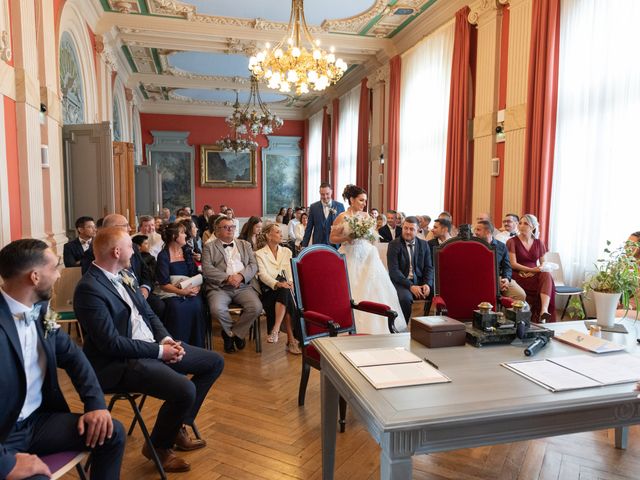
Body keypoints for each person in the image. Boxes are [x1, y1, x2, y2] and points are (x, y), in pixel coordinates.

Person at [74, 227, 224, 473]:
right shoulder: (89, 289)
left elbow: (149, 313)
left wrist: (166, 339)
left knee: (213, 362)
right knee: (184, 389)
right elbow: (110, 343)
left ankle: (175, 428)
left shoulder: (126, 274)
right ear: (116, 251)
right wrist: (158, 352)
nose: (134, 250)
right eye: (130, 246)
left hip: (151, 348)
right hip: (120, 362)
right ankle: (159, 447)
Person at [0, 239, 125, 480]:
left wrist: (95, 404)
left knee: (112, 432)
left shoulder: (39, 310)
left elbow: (74, 357)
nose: (58, 275)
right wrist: (5, 465)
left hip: (37, 423)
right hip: (4, 436)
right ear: (34, 277)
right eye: (54, 267)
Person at [329, 185, 406, 333]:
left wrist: (366, 237)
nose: (364, 204)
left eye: (365, 200)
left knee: (373, 287)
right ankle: (350, 324)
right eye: (361, 200)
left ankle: (379, 326)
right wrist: (348, 237)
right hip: (349, 254)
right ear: (352, 200)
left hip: (368, 256)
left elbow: (373, 237)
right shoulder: (342, 216)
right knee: (351, 287)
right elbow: (332, 238)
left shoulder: (366, 217)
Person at [201, 216, 263, 354]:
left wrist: (241, 276)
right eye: (226, 227)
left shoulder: (244, 244)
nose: (230, 229)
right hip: (220, 288)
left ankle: (233, 334)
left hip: (243, 286)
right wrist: (228, 278)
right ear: (217, 230)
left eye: (232, 227)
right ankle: (232, 333)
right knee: (216, 309)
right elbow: (207, 269)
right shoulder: (209, 247)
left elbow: (253, 265)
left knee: (256, 307)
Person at [156, 223, 206, 348]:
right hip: (171, 292)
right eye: (183, 232)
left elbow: (195, 275)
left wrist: (196, 287)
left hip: (190, 290)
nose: (186, 235)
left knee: (197, 304)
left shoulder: (187, 252)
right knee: (176, 308)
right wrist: (182, 292)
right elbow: (163, 284)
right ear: (174, 236)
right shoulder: (163, 256)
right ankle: (177, 346)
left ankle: (196, 347)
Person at [255, 223, 301, 354]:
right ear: (268, 236)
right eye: (277, 232)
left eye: (281, 232)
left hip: (286, 288)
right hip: (270, 290)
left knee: (286, 291)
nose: (281, 235)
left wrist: (290, 282)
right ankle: (292, 340)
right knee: (284, 292)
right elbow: (262, 275)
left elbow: (290, 271)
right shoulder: (259, 254)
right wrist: (277, 283)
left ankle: (276, 330)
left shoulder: (287, 251)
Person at [507, 214, 556, 322]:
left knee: (547, 275)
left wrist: (537, 270)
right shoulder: (512, 241)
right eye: (520, 223)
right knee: (544, 278)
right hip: (518, 274)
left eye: (525, 223)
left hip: (534, 274)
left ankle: (544, 310)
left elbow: (544, 264)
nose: (521, 226)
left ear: (533, 227)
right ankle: (539, 312)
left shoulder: (539, 243)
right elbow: (513, 264)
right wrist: (532, 270)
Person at [387, 217, 433, 323]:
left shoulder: (424, 244)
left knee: (435, 293)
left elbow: (429, 267)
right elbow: (394, 271)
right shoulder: (394, 245)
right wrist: (411, 286)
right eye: (405, 228)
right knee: (405, 299)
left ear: (417, 230)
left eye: (411, 229)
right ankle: (404, 325)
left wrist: (427, 284)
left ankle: (426, 325)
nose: (408, 232)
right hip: (402, 282)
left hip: (420, 280)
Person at [474, 220, 526, 301]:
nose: (475, 233)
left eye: (478, 230)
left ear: (488, 232)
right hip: (477, 278)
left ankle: (504, 313)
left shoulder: (501, 246)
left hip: (497, 278)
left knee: (520, 295)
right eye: (475, 229)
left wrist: (506, 279)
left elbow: (507, 267)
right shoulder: (473, 245)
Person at [301, 182, 345, 248]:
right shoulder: (313, 207)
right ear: (319, 193)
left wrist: (343, 245)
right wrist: (304, 245)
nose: (325, 197)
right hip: (318, 244)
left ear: (331, 192)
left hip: (335, 245)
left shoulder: (340, 206)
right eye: (322, 194)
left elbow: (343, 227)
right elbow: (309, 228)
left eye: (327, 194)